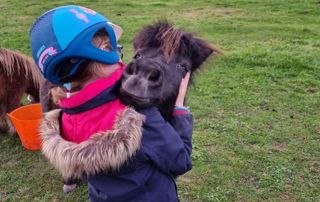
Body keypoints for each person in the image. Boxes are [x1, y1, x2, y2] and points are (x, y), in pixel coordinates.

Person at [30, 5, 193, 202]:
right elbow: (180, 161)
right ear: (102, 54)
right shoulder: (137, 117)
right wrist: (179, 110)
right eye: (111, 46)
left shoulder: (64, 119)